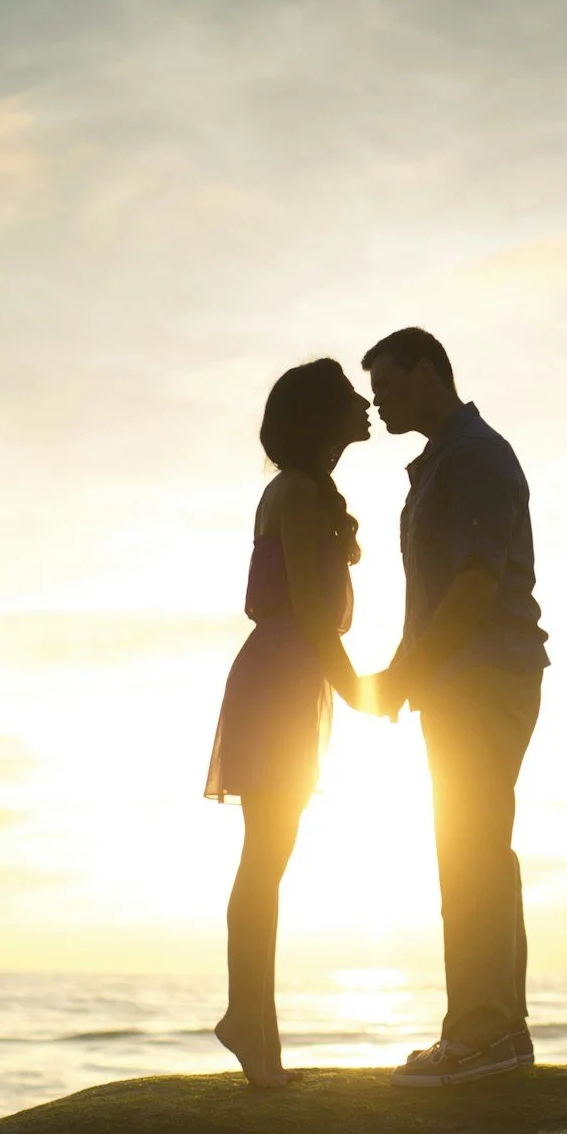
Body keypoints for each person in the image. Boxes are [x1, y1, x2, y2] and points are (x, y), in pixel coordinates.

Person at [357, 327, 549, 1087]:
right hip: (466, 676)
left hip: (483, 674)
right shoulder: (444, 461)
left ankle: (479, 1034)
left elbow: (473, 582)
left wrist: (408, 672)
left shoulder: (473, 455)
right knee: (479, 847)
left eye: (391, 388)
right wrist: (410, 670)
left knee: (471, 849)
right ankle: (500, 1030)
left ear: (430, 373)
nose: (380, 404)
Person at [205, 357, 380, 1087]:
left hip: (288, 676)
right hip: (282, 676)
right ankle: (250, 1024)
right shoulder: (300, 494)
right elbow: (312, 612)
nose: (366, 405)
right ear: (322, 416)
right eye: (350, 398)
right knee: (266, 858)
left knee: (269, 857)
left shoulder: (306, 491)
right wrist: (366, 694)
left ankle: (255, 1028)